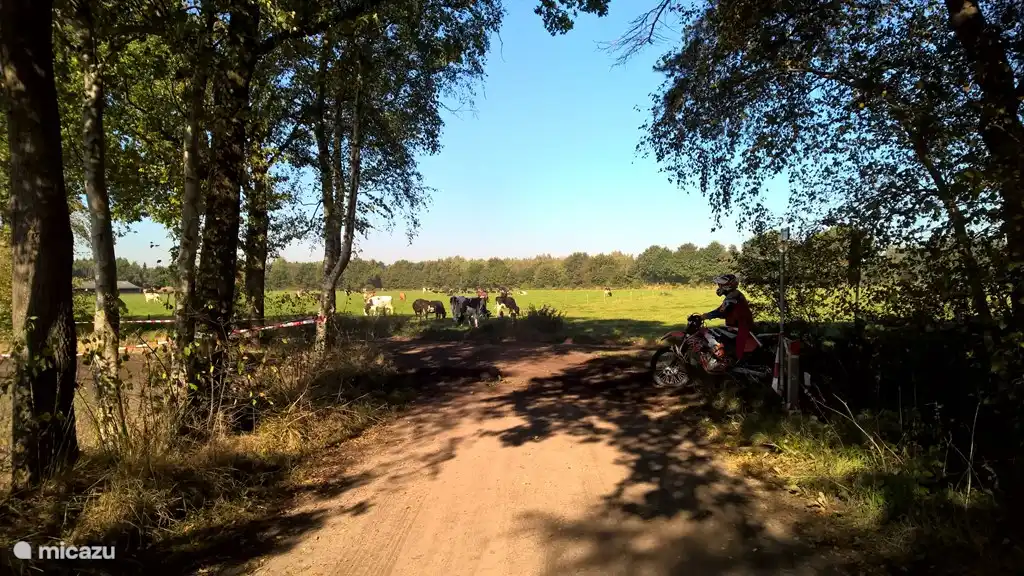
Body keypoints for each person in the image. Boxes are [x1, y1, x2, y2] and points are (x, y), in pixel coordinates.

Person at [700, 274, 758, 364]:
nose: (719, 287)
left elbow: (722, 311)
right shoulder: (733, 295)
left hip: (740, 327)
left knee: (713, 333)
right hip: (738, 326)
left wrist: (706, 316)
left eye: (720, 285)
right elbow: (723, 310)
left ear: (728, 286)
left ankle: (721, 360)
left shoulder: (733, 296)